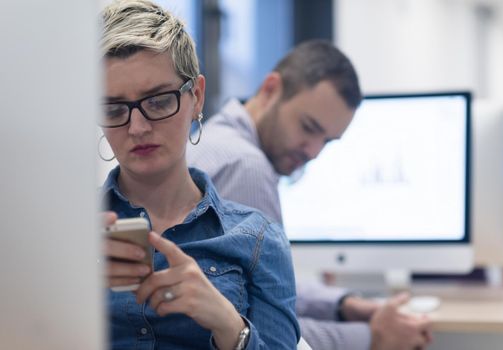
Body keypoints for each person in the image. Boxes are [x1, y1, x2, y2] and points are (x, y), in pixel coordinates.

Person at [187, 40, 432, 350]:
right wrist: (375, 337)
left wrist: (343, 304)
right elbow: (266, 332)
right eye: (308, 127)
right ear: (271, 88)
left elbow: (263, 289)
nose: (313, 151)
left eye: (326, 141)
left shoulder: (215, 139)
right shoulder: (246, 167)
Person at [99, 1, 299, 349]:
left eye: (158, 101)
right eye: (114, 109)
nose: (138, 127)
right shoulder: (64, 234)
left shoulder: (257, 240)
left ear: (196, 97)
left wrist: (228, 323)